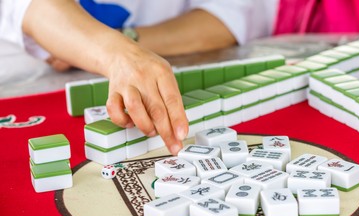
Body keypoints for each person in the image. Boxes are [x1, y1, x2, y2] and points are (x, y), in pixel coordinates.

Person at [0, 0, 272, 155]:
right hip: (18, 88)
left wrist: (128, 42)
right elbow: (30, 7)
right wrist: (115, 52)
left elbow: (231, 14)